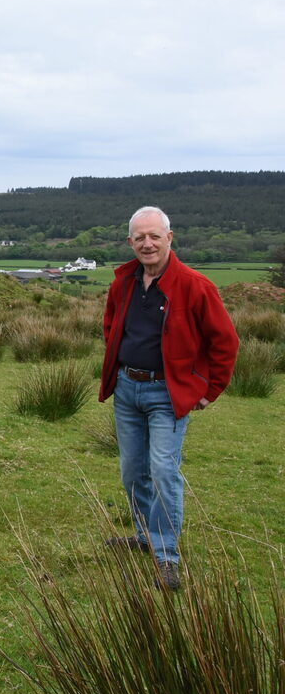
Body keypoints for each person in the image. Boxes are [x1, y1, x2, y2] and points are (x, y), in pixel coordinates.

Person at [99, 206, 239, 591]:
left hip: (168, 393)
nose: (147, 244)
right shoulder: (123, 283)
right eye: (139, 238)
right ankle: (145, 534)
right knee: (132, 471)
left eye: (154, 236)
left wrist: (210, 390)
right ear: (131, 242)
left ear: (169, 238)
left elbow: (225, 342)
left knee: (163, 470)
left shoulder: (195, 286)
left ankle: (166, 555)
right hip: (128, 388)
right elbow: (112, 323)